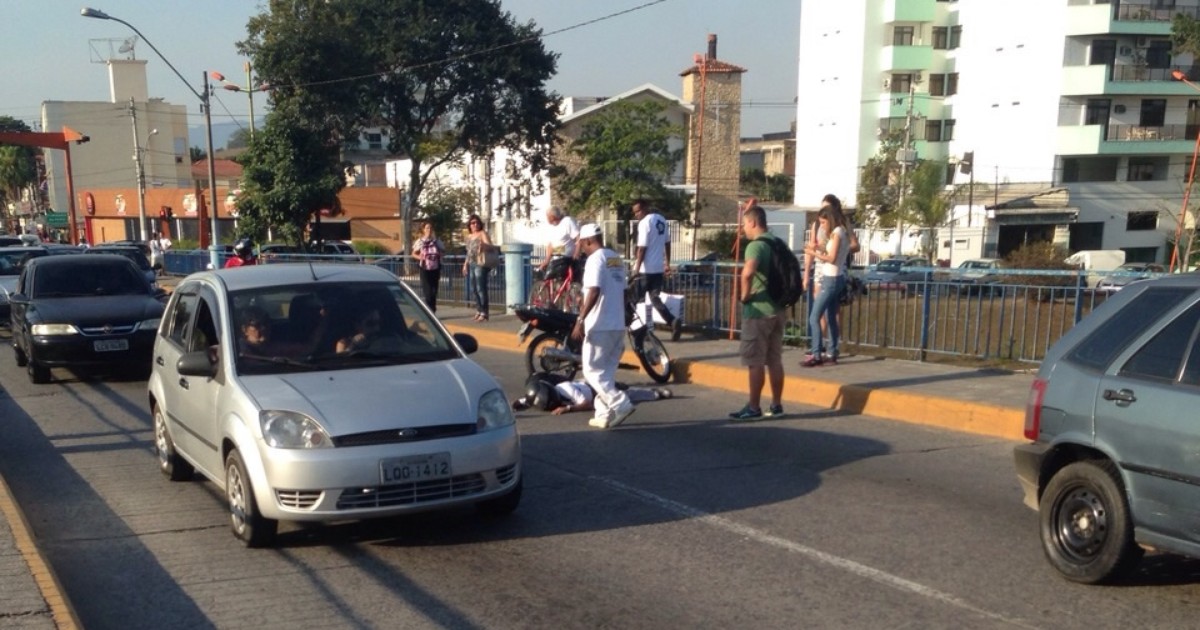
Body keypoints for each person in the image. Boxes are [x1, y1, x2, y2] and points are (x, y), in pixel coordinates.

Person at [573, 223, 636, 429]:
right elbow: (625, 292)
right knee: (606, 373)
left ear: (588, 240)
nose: (580, 247)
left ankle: (621, 403)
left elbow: (594, 291)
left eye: (581, 243)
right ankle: (603, 413)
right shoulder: (615, 258)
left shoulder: (595, 259)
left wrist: (580, 320)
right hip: (616, 324)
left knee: (591, 371)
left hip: (599, 324)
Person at [730, 203, 785, 421]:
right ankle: (777, 404)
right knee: (774, 360)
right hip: (778, 309)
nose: (743, 228)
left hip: (759, 311)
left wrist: (745, 296)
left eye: (744, 223)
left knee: (755, 361)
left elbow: (748, 272)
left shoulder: (755, 246)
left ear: (753, 222)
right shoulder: (778, 243)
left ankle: (753, 407)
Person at [802, 204, 850, 367]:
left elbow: (831, 258)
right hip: (837, 278)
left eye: (823, 222)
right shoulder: (840, 233)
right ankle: (832, 351)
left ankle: (816, 353)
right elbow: (829, 250)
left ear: (829, 220)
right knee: (831, 317)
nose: (821, 226)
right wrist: (817, 247)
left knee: (814, 317)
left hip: (831, 279)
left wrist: (812, 253)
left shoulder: (837, 233)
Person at [629, 198, 683, 342]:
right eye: (635, 212)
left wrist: (636, 268)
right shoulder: (661, 220)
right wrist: (667, 263)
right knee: (654, 298)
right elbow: (667, 243)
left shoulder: (645, 223)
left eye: (638, 211)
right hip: (658, 269)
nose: (636, 215)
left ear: (646, 208)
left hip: (645, 271)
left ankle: (641, 331)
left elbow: (641, 249)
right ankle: (672, 321)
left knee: (636, 301)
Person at [511, 372, 672, 414]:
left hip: (593, 390)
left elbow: (586, 405)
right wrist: (516, 405)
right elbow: (529, 399)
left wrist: (567, 409)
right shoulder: (540, 396)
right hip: (584, 384)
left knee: (625, 394)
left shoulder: (566, 388)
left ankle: (655, 393)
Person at [462, 214, 493, 322]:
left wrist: (484, 246)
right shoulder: (469, 237)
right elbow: (468, 253)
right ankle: (479, 310)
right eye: (472, 223)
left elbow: (491, 247)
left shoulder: (482, 234)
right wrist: (465, 264)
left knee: (480, 288)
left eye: (477, 223)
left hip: (480, 263)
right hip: (471, 263)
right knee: (473, 289)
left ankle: (484, 312)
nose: (475, 225)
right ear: (469, 225)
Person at [537, 206, 580, 281]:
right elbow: (550, 245)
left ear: (552, 217)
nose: (547, 219)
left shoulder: (567, 221)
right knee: (547, 276)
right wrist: (547, 259)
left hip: (567, 258)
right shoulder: (551, 228)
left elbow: (578, 238)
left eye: (547, 217)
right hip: (556, 258)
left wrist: (576, 253)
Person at [413, 220, 445, 313]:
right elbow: (413, 253)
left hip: (435, 268)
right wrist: (420, 257)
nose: (429, 230)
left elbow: (444, 251)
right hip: (424, 269)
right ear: (423, 230)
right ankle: (429, 311)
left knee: (434, 291)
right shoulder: (420, 241)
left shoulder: (437, 241)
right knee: (427, 292)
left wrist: (439, 255)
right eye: (427, 228)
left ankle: (433, 310)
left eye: (430, 228)